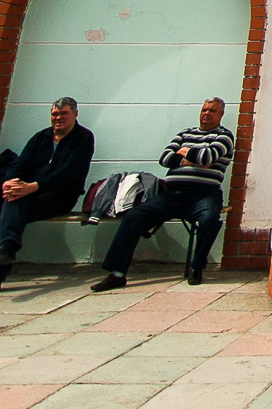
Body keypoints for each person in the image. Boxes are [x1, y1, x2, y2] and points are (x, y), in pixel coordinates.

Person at [91, 97, 233, 290]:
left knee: (210, 219)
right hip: (171, 194)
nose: (207, 113)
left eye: (212, 111)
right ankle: (117, 273)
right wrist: (187, 158)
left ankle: (196, 268)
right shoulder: (185, 133)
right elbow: (165, 158)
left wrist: (183, 151)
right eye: (204, 109)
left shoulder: (224, 136)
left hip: (204, 195)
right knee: (133, 216)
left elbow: (206, 157)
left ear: (221, 114)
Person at [0, 96, 95, 299]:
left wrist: (34, 186)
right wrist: (11, 183)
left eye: (63, 114)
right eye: (55, 114)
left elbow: (69, 174)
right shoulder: (41, 138)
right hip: (27, 195)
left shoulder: (84, 138)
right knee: (13, 199)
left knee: (15, 203)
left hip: (59, 197)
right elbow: (19, 165)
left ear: (75, 114)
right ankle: (4, 252)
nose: (58, 118)